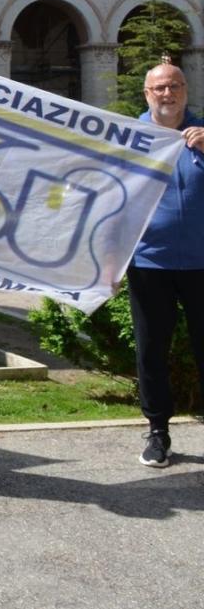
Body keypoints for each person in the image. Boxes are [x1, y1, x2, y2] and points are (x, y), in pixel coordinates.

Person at [129, 62, 204, 468]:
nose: (167, 93)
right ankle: (158, 432)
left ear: (186, 90)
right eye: (159, 87)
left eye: (174, 85)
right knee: (151, 351)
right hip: (149, 263)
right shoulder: (129, 138)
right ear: (147, 94)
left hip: (201, 263)